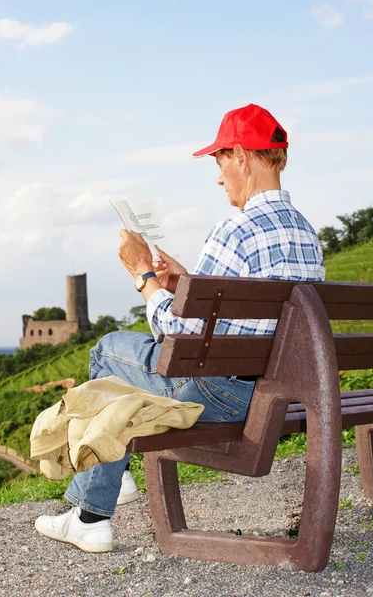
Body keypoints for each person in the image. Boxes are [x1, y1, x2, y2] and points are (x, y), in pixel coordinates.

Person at [35, 103, 325, 553]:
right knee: (123, 363)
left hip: (219, 394)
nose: (218, 175)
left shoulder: (235, 229)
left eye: (219, 161)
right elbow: (243, 314)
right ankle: (102, 495)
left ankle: (95, 506)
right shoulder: (306, 233)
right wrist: (185, 283)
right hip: (279, 392)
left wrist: (143, 278)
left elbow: (176, 335)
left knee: (107, 349)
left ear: (242, 158)